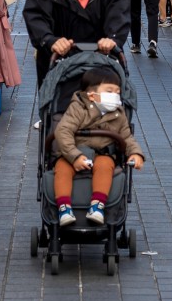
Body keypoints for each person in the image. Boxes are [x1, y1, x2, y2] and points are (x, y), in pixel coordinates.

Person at [53, 68, 145, 225]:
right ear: (91, 95)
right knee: (62, 167)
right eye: (109, 91)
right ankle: (64, 207)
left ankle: (97, 205)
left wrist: (136, 153)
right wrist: (74, 156)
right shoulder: (78, 108)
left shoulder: (118, 113)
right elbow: (63, 131)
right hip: (74, 152)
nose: (115, 96)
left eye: (117, 92)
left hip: (102, 153)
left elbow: (126, 137)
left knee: (106, 165)